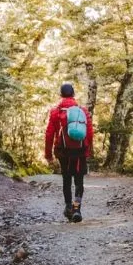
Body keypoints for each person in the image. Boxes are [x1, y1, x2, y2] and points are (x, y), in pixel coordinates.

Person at [44, 82, 93, 222]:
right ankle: (77, 208)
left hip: (63, 151)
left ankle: (68, 207)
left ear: (60, 94)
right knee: (79, 180)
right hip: (80, 150)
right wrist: (88, 150)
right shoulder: (82, 110)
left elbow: (49, 134)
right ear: (73, 94)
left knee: (66, 179)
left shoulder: (56, 111)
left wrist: (48, 155)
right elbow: (89, 132)